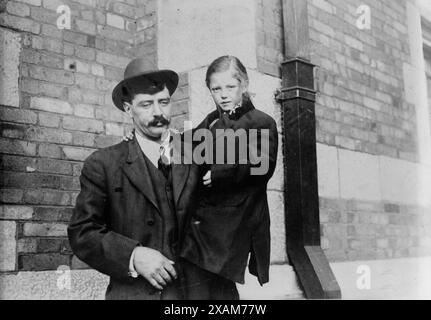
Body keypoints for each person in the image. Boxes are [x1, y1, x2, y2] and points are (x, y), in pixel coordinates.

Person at [68, 57, 199, 300]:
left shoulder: (196, 154)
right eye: (146, 105)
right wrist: (133, 256)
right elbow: (82, 232)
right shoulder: (104, 164)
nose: (158, 113)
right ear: (128, 109)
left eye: (164, 102)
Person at [179, 55, 279, 299]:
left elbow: (263, 165)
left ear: (244, 85)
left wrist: (223, 172)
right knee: (202, 285)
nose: (223, 95)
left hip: (235, 221)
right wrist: (151, 142)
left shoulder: (260, 122)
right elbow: (184, 144)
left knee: (216, 284)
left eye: (230, 87)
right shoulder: (212, 121)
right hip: (205, 222)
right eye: (216, 89)